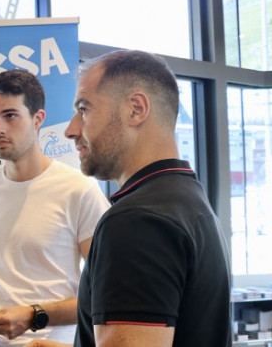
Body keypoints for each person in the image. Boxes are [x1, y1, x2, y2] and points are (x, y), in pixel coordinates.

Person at [34, 50, 230, 347]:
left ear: (136, 109)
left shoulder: (137, 222)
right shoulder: (186, 201)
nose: (71, 130)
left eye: (84, 109)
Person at [0, 69, 111, 346]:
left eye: (10, 116)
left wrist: (33, 315)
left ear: (38, 119)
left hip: (46, 342)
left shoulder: (78, 190)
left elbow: (103, 294)